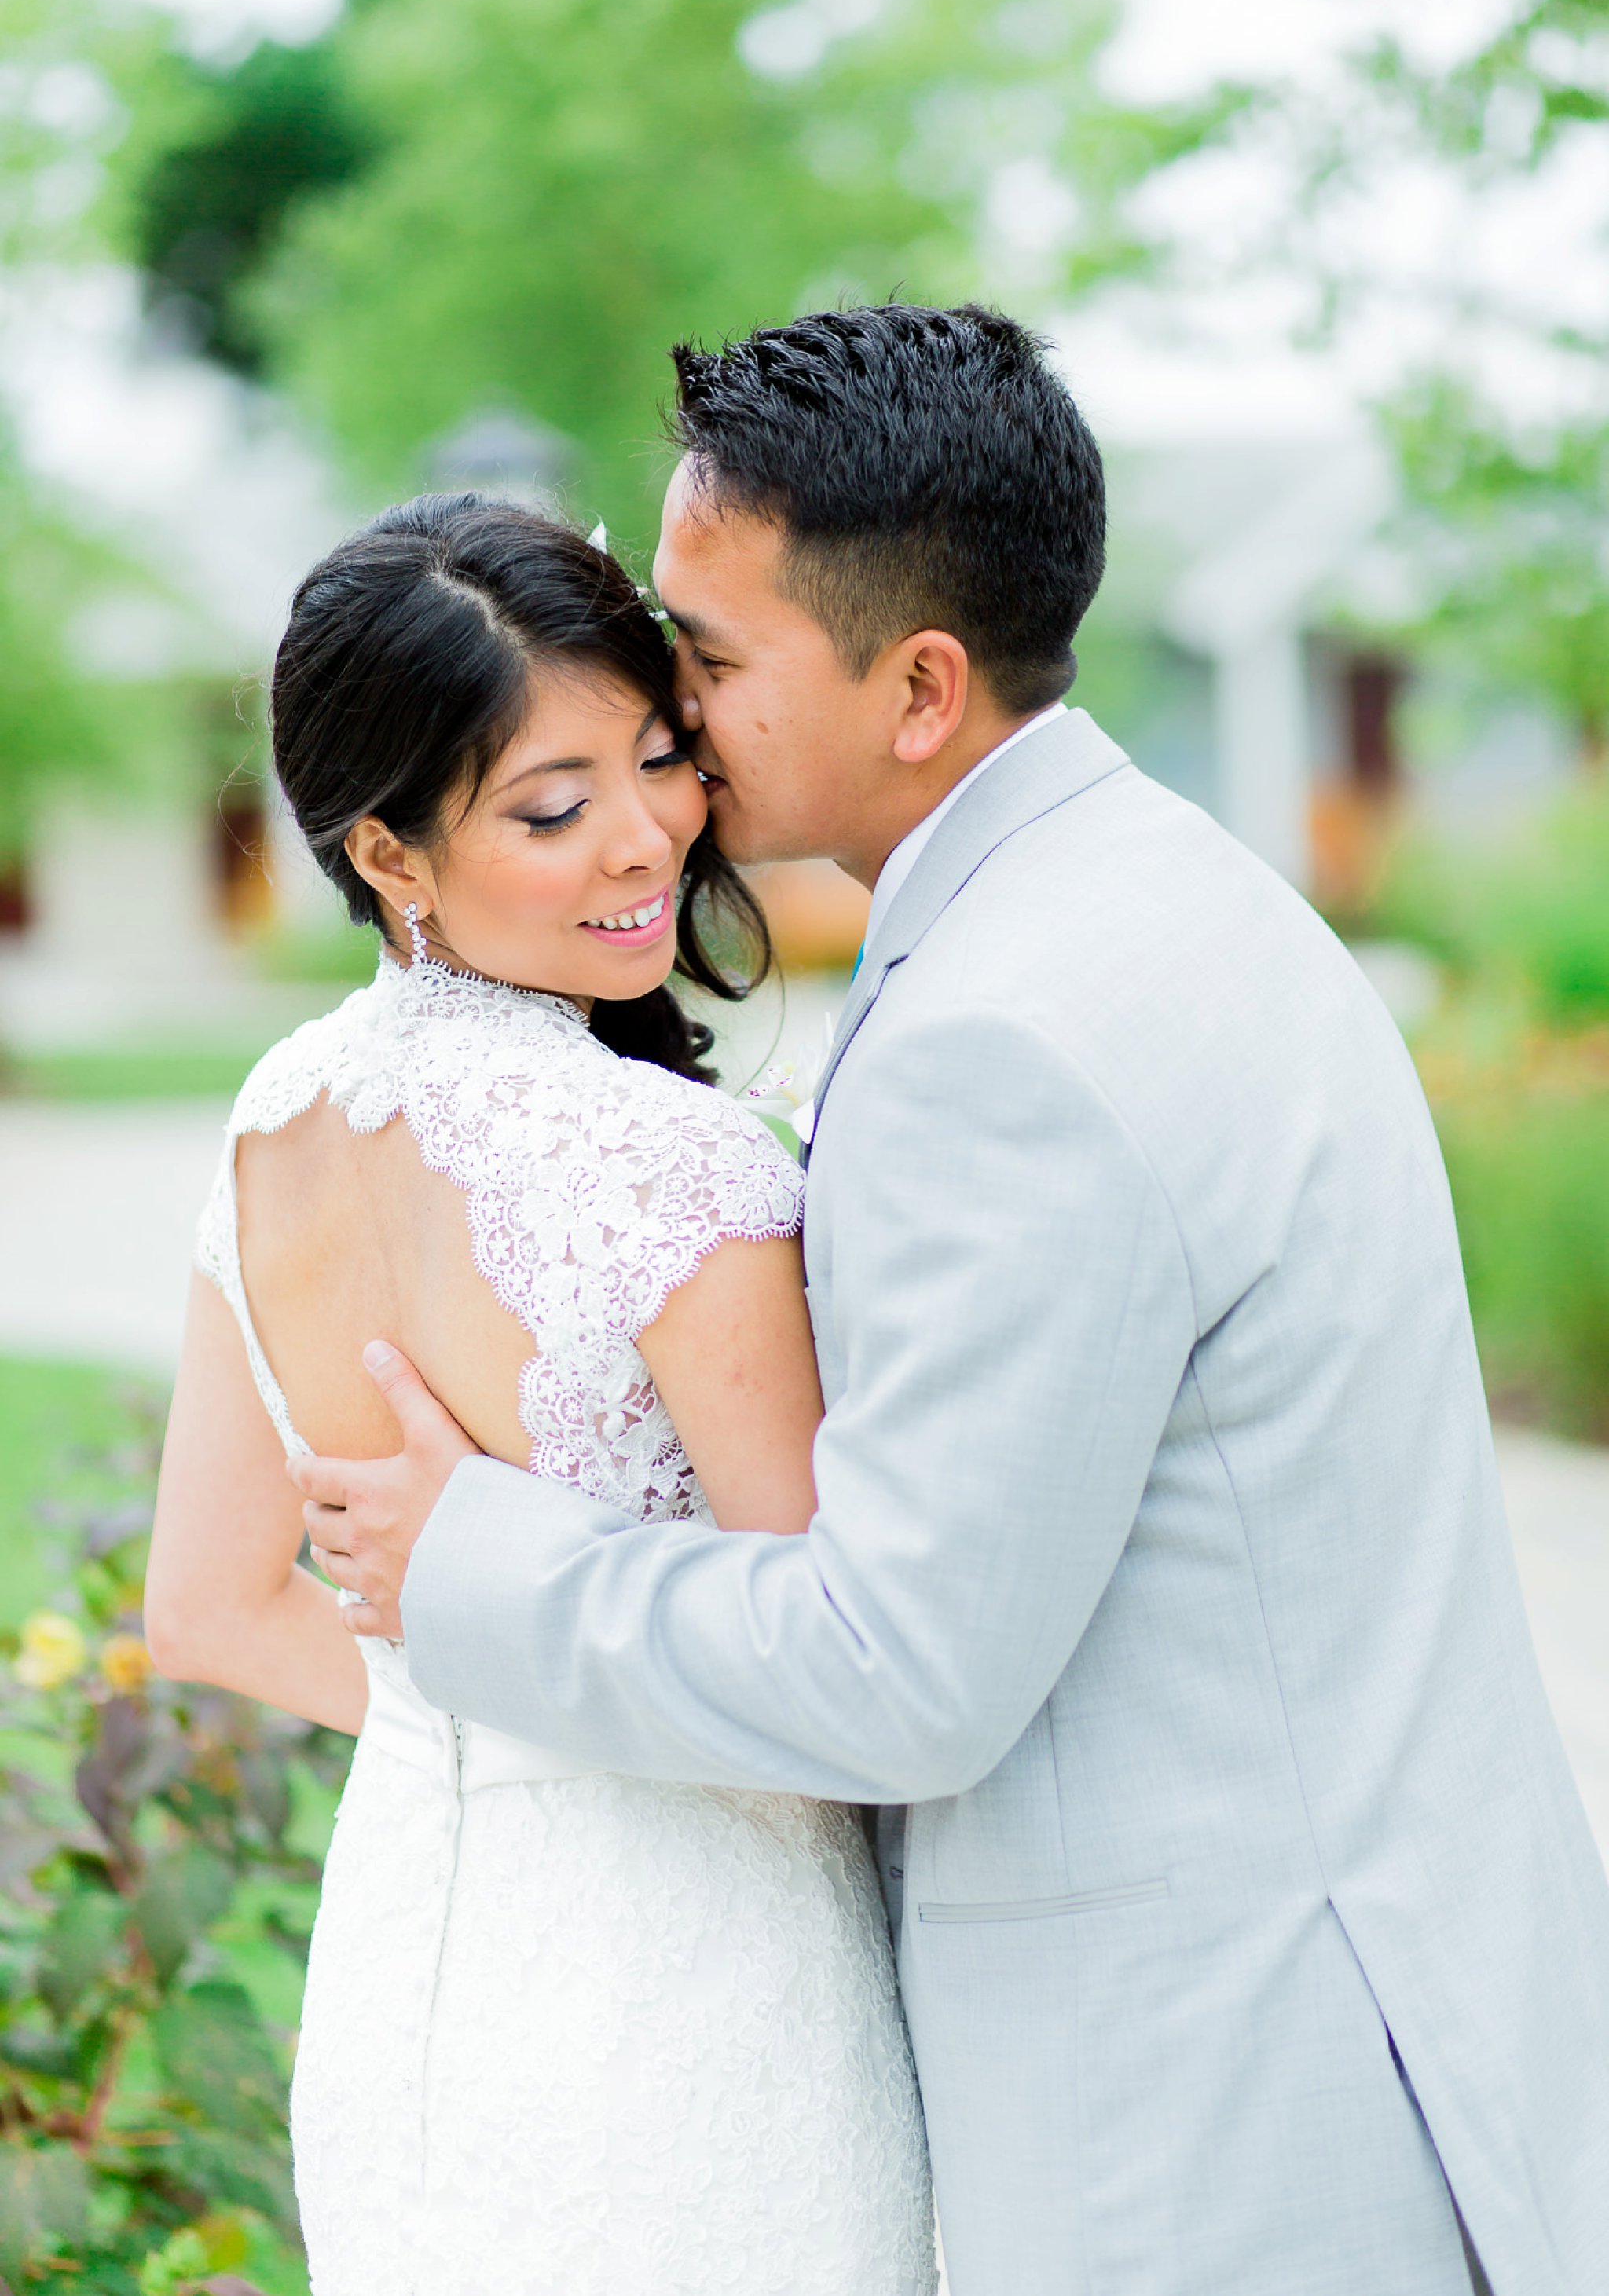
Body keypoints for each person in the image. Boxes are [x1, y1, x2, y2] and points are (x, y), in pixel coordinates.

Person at [304, 303, 1609, 2296]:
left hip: (1220, 2118)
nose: (665, 701)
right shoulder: (1159, 893)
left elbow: (904, 1666)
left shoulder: (1010, 1039)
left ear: (918, 687)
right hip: (1364, 2013)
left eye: (712, 659)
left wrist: (472, 1561)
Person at [145, 496, 936, 2296]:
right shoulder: (666, 1160)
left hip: (412, 1976)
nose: (649, 833)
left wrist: (470, 1711)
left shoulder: (277, 1116)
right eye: (552, 807)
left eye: (660, 757)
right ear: (392, 854)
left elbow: (202, 1607)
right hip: (692, 1987)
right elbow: (841, 1658)